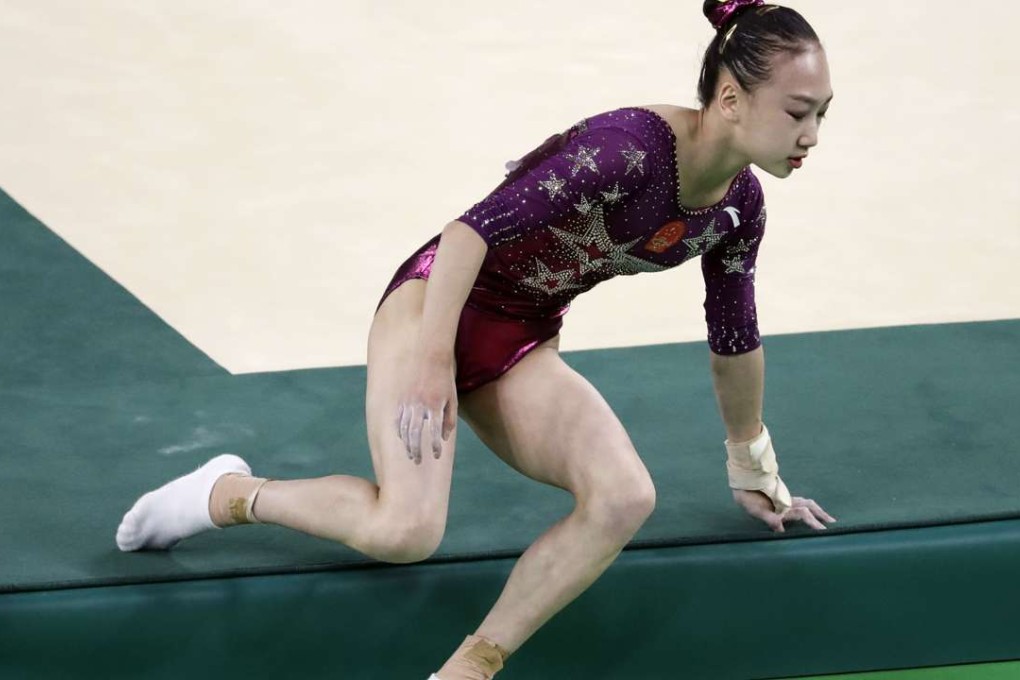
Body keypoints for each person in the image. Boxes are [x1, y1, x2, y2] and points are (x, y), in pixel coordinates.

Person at [116, 1, 839, 677]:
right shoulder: (628, 152)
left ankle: (470, 667)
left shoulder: (739, 207)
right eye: (798, 112)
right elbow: (468, 233)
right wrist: (432, 363)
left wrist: (751, 465)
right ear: (731, 99)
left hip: (521, 335)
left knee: (623, 497)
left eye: (822, 114)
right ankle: (227, 493)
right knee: (405, 531)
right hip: (433, 304)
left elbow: (734, 337)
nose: (811, 135)